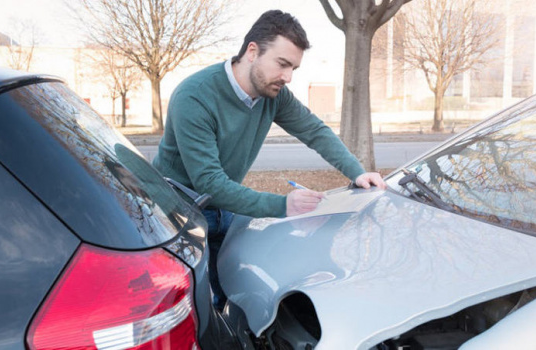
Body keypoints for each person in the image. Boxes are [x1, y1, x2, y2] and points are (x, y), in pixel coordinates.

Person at [152, 9, 386, 308]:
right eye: (282, 64)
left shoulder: (273, 94)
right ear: (252, 51)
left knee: (233, 291)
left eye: (293, 69)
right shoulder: (195, 96)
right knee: (197, 307)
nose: (287, 77)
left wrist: (357, 172)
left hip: (227, 207)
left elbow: (314, 130)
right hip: (181, 215)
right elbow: (209, 182)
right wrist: (283, 205)